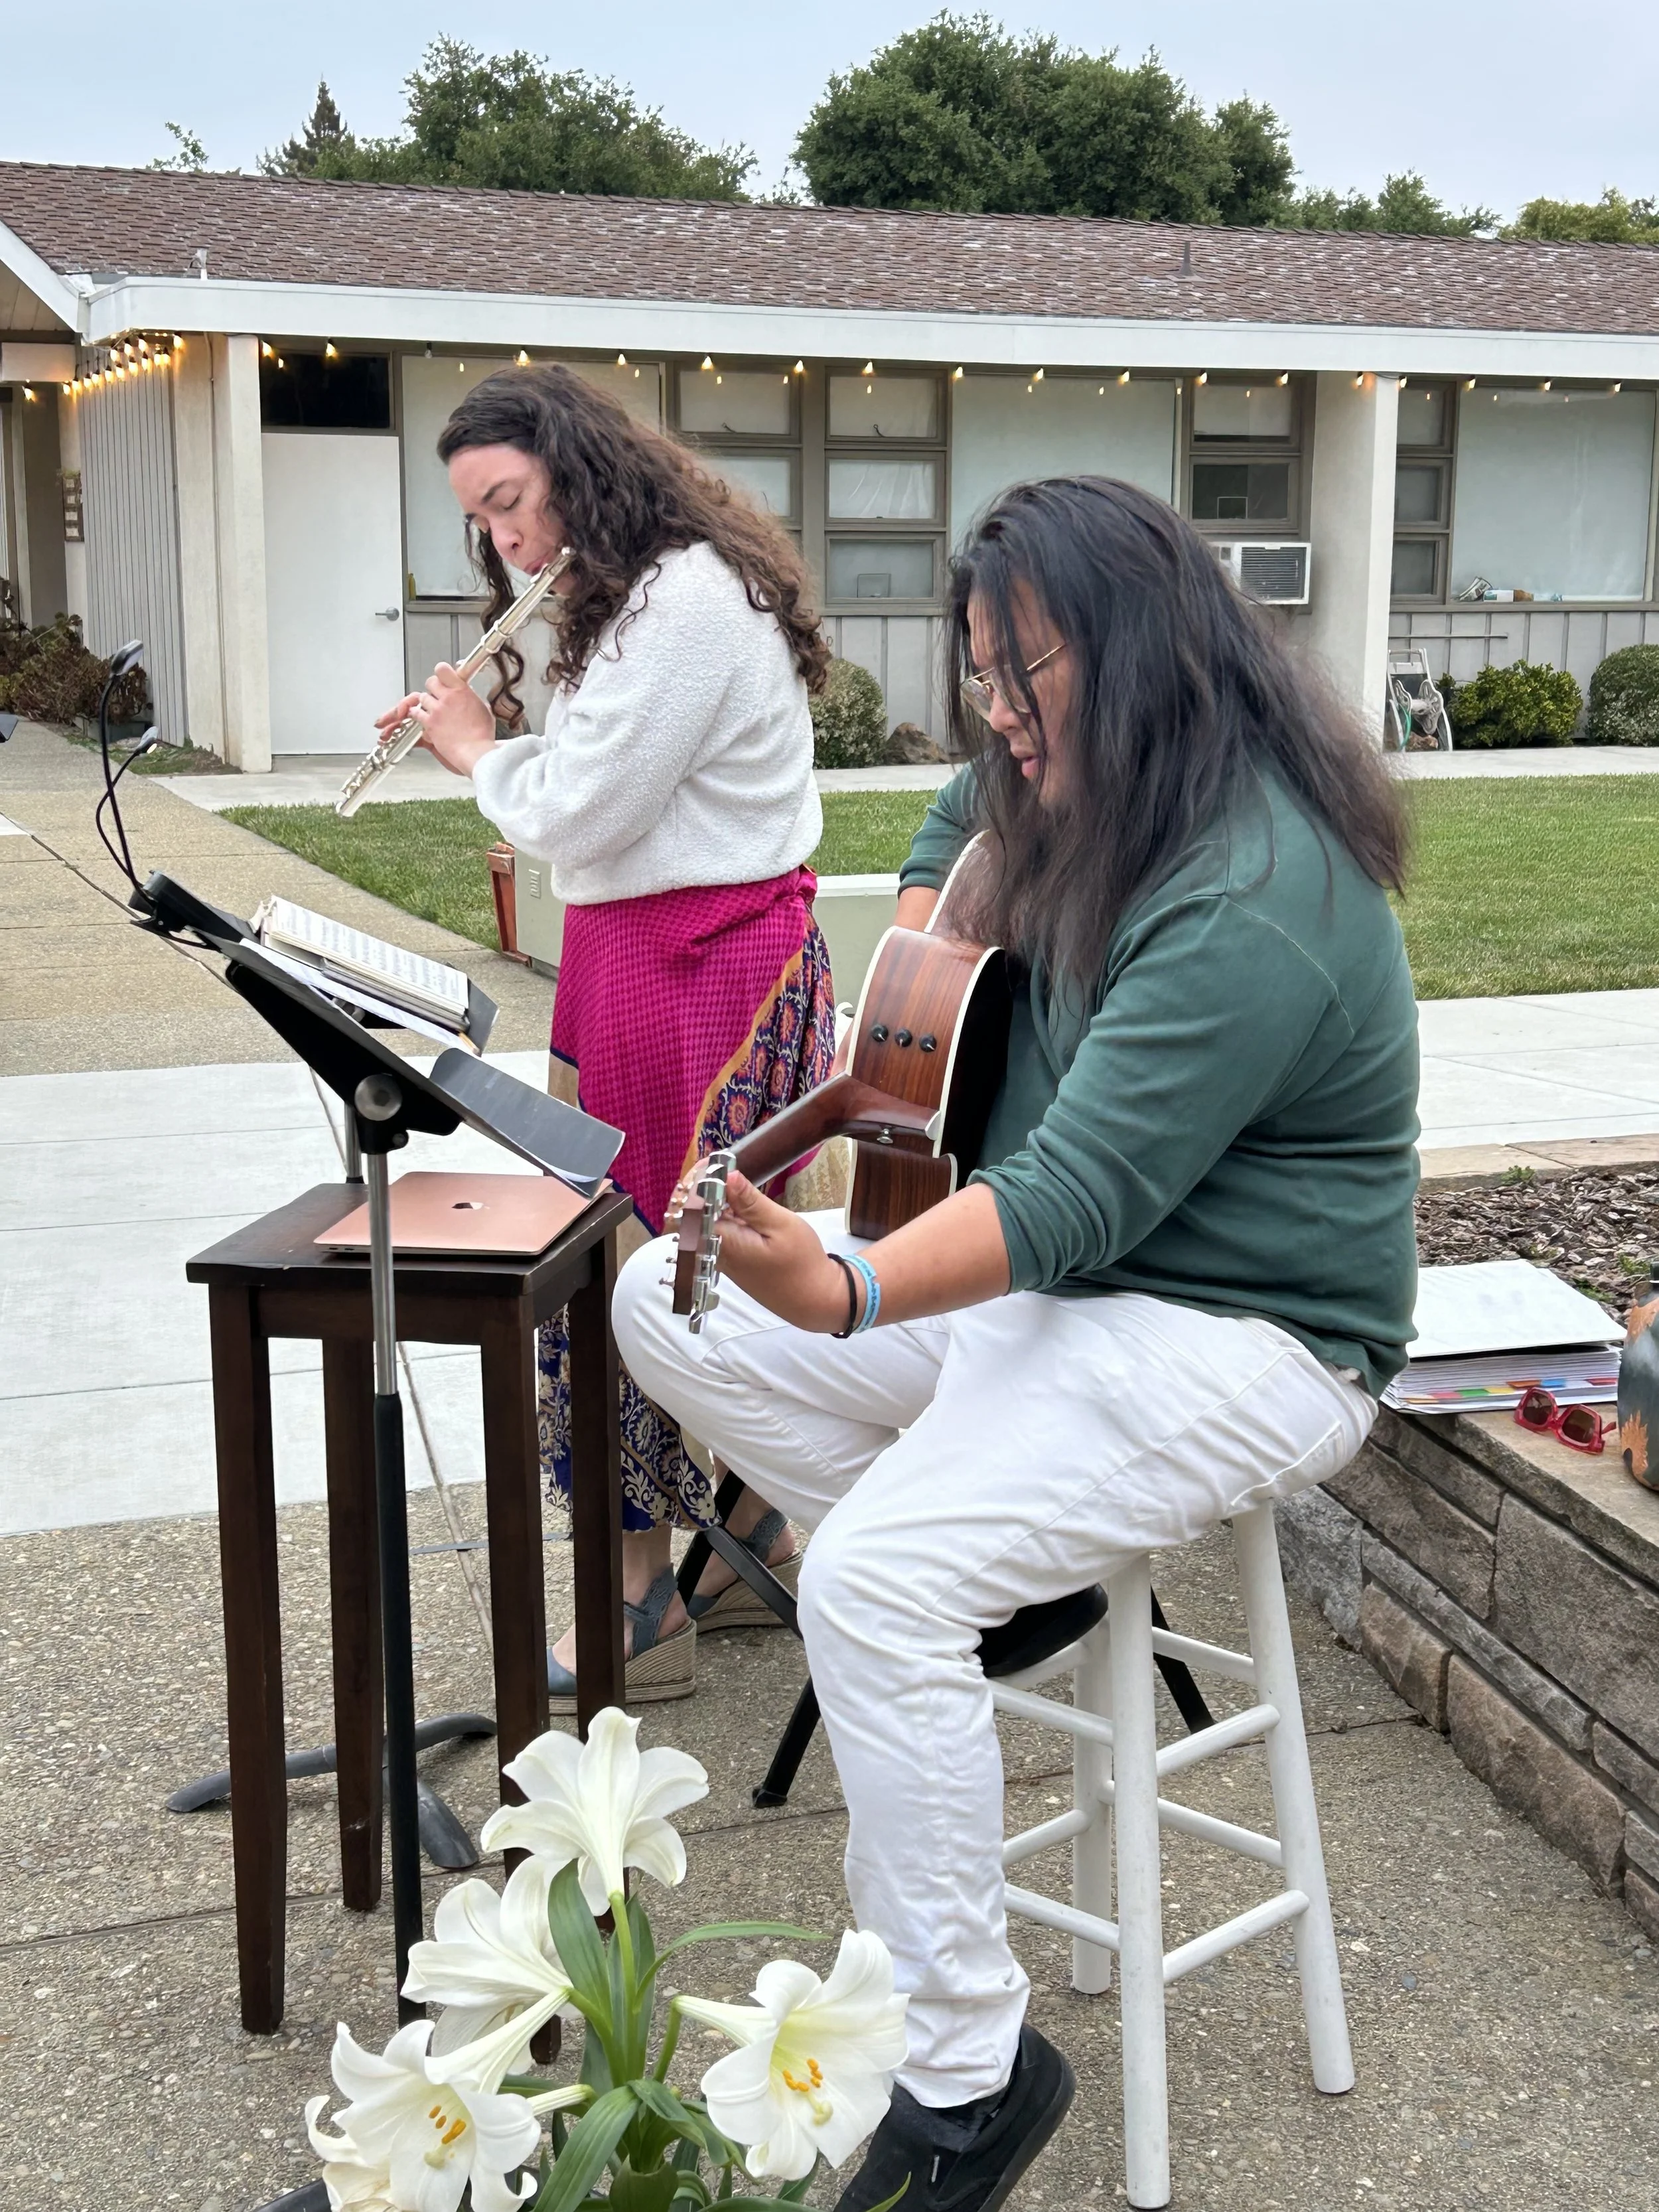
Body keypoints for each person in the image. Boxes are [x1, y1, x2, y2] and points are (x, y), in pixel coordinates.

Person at [611, 476, 1419, 2211]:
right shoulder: (1063, 778)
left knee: (873, 1580)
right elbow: (949, 816)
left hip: (1247, 1332)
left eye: (1018, 671)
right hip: (1062, 1296)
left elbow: (1074, 1191)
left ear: (1136, 662)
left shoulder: (1256, 884)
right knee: (650, 1299)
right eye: (975, 668)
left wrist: (841, 1286)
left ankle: (968, 2073)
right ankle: (1000, 1568)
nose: (990, 710)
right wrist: (930, 910)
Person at [383, 363, 835, 1708]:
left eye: (511, 504)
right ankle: (752, 1524)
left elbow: (580, 815)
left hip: (705, 973)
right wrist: (508, 751)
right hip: (634, 962)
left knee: (647, 1269)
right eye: (482, 522)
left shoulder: (687, 594)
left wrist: (473, 748)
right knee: (648, 1255)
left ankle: (642, 1590)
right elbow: (600, 808)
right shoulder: (624, 594)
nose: (504, 542)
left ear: (577, 466)